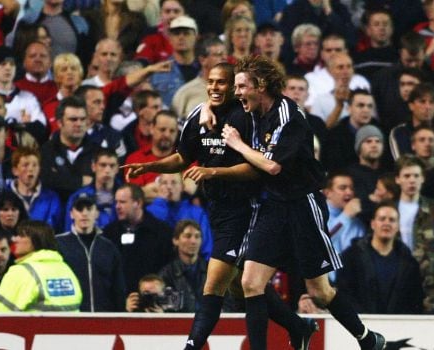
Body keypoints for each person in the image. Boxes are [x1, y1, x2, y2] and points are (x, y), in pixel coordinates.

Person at [124, 62, 308, 350]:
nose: (214, 87)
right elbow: (183, 157)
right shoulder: (199, 114)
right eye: (211, 82)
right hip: (218, 209)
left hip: (246, 208)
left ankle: (191, 346)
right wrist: (149, 165)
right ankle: (298, 325)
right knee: (238, 285)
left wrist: (212, 172)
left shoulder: (246, 117)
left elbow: (254, 168)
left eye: (222, 82)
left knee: (215, 284)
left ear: (234, 87)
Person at [221, 55, 385, 349]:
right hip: (273, 204)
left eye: (242, 86)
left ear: (260, 85)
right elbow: (222, 110)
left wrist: (238, 144)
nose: (237, 93)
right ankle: (295, 329)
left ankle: (367, 338)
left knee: (319, 290)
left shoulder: (289, 114)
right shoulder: (251, 110)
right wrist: (209, 113)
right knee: (250, 282)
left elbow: (272, 167)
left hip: (302, 205)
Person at [394, 155, 434, 314]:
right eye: (407, 176)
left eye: (416, 175)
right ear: (398, 179)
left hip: (430, 293)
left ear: (423, 179)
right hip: (395, 290)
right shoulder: (388, 211)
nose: (412, 180)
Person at [337, 202, 424, 314]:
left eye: (392, 220)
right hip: (361, 325)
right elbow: (345, 294)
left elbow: (415, 300)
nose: (386, 223)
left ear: (398, 226)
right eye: (382, 219)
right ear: (373, 224)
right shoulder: (351, 256)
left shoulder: (409, 262)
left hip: (399, 326)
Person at [0, 220, 82, 312]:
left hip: (33, 326)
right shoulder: (66, 269)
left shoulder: (22, 272)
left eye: (21, 236)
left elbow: (0, 315)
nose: (15, 239)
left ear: (36, 241)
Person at [56, 196, 126, 312]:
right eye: (79, 209)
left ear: (97, 213)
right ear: (71, 214)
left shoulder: (108, 247)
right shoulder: (58, 244)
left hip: (104, 317)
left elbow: (118, 287)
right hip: (72, 317)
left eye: (89, 209)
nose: (84, 213)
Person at [103, 183, 173, 293]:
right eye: (116, 202)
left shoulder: (162, 232)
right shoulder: (109, 233)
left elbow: (168, 269)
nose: (117, 206)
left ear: (138, 203)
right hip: (121, 303)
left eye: (122, 202)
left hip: (153, 297)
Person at [158, 220, 207, 313]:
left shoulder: (213, 271)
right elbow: (169, 311)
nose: (193, 241)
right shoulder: (167, 274)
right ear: (176, 240)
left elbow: (227, 305)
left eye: (197, 236)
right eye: (188, 236)